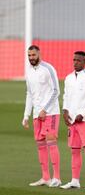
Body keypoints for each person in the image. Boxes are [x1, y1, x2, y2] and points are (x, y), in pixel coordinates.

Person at [23, 45, 61, 187]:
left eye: (33, 55)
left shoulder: (48, 69)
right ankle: (45, 177)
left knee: (51, 143)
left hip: (50, 112)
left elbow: (56, 91)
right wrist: (26, 115)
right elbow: (29, 94)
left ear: (39, 54)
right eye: (29, 55)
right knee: (40, 145)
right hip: (36, 114)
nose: (31, 58)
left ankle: (56, 177)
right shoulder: (29, 72)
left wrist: (45, 109)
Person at [60, 51, 85, 190]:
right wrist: (65, 111)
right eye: (74, 60)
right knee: (74, 150)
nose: (76, 62)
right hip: (72, 120)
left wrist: (84, 113)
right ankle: (75, 180)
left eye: (79, 60)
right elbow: (66, 96)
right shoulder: (69, 78)